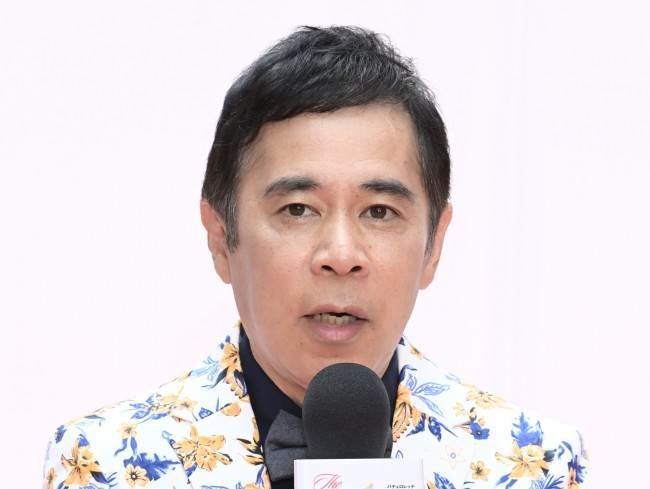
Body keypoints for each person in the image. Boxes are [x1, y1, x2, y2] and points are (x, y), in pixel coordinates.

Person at [42, 25, 588, 489]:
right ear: (220, 236)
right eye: (298, 209)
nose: (341, 255)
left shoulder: (529, 465)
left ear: (434, 244)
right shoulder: (104, 464)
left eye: (379, 211)